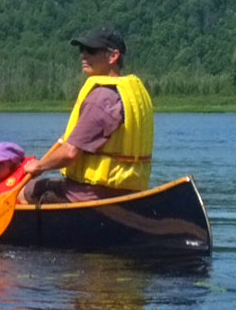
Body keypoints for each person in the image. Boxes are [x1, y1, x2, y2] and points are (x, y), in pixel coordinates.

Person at [19, 28, 153, 205]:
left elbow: (70, 153)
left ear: (113, 56)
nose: (83, 55)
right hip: (130, 192)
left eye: (91, 50)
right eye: (81, 50)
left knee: (26, 192)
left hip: (89, 194)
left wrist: (39, 166)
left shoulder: (101, 98)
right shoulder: (131, 93)